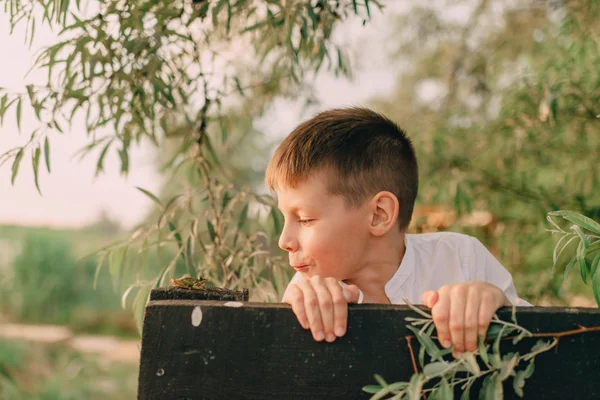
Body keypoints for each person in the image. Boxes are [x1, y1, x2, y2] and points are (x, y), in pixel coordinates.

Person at [265, 107, 531, 358]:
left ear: (379, 214)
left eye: (304, 219)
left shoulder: (461, 259)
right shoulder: (307, 292)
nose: (284, 241)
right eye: (285, 218)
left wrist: (498, 305)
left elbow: (549, 345)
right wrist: (288, 326)